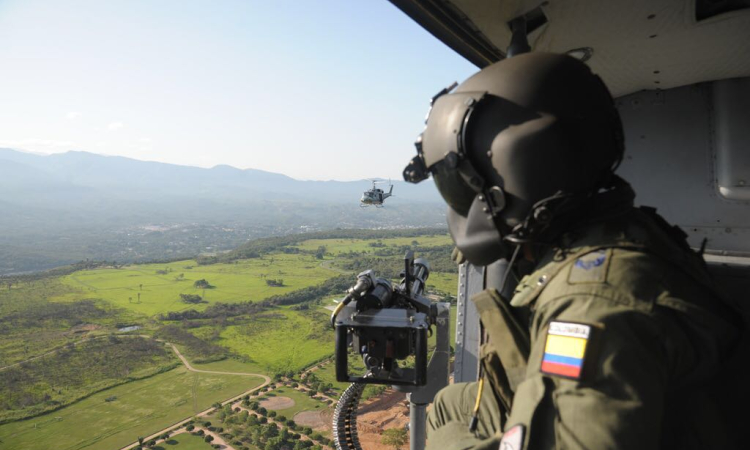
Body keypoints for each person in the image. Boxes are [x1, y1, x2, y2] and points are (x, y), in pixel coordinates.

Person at [403, 52, 742, 449]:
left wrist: (449, 444)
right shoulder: (618, 231)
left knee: (446, 432)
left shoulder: (589, 303)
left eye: (460, 185)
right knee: (448, 405)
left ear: (510, 179)